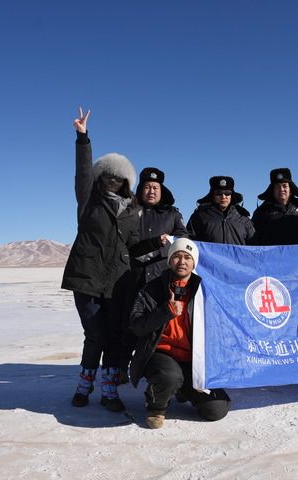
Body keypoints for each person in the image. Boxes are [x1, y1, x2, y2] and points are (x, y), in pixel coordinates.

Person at [61, 107, 160, 412]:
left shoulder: (132, 210)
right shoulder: (89, 201)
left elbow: (134, 246)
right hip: (87, 280)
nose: (113, 181)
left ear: (126, 181)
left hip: (117, 283)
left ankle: (109, 392)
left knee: (114, 336)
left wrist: (158, 244)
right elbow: (82, 173)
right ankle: (84, 386)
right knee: (95, 335)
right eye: (108, 176)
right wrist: (83, 138)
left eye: (118, 178)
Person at [129, 238, 231, 429]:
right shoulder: (152, 289)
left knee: (216, 409)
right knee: (169, 376)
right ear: (169, 260)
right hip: (161, 354)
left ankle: (183, 388)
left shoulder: (204, 290)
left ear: (194, 262)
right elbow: (137, 326)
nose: (182, 261)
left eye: (187, 257)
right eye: (177, 256)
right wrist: (165, 311)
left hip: (194, 359)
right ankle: (156, 406)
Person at [132, 167, 188, 287]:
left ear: (161, 190)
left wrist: (166, 244)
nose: (151, 191)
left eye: (155, 188)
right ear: (141, 190)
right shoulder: (130, 213)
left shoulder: (173, 214)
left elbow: (183, 238)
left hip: (162, 276)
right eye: (147, 187)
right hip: (133, 276)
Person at [187, 176, 255, 245]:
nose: (223, 197)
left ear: (231, 195)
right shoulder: (200, 216)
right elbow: (188, 241)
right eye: (219, 193)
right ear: (213, 195)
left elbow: (254, 245)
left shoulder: (243, 218)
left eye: (227, 193)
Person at [251, 168, 298, 245]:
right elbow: (253, 239)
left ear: (290, 188)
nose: (281, 189)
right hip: (271, 252)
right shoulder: (261, 212)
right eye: (277, 186)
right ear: (272, 190)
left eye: (284, 186)